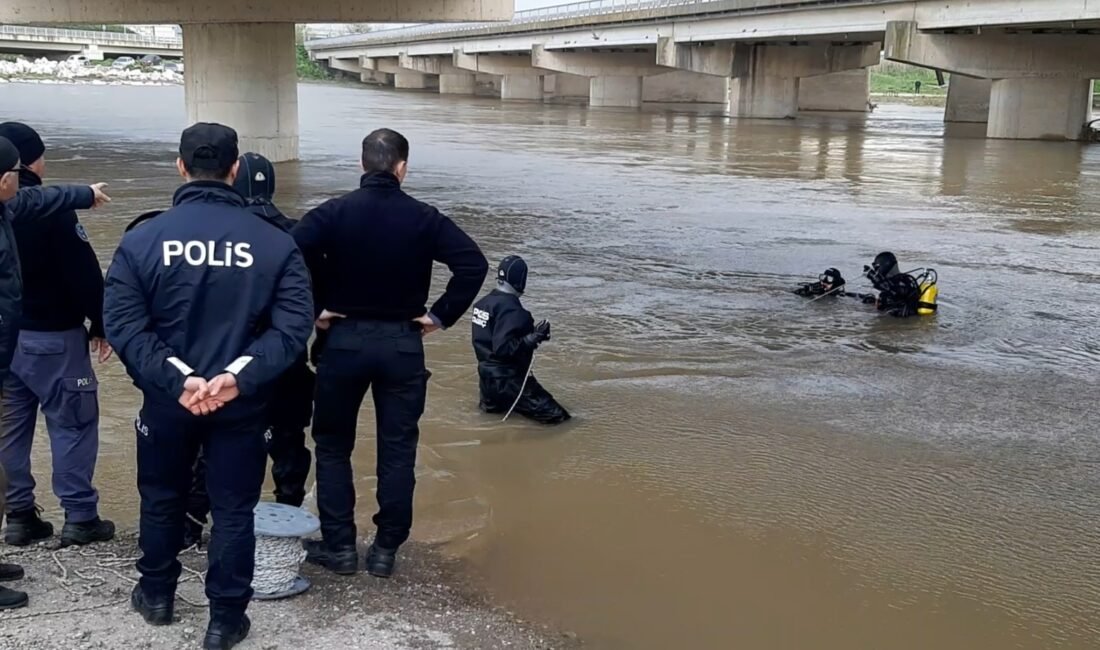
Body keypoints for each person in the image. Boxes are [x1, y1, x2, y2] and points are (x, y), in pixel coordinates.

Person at [103, 123, 313, 650]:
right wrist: (236, 378)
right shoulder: (275, 243)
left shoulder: (142, 239)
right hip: (240, 404)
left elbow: (126, 326)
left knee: (161, 497)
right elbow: (292, 328)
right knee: (234, 509)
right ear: (236, 170)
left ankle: (156, 596)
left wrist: (179, 381)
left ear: (179, 167)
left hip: (168, 401)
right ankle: (224, 622)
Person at [293, 128, 488, 578]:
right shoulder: (424, 218)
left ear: (362, 165)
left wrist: (313, 307)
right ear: (402, 168)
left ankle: (340, 547)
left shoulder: (333, 213)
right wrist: (439, 316)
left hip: (342, 343)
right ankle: (384, 551)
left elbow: (288, 252)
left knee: (332, 447)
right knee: (398, 450)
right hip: (403, 344)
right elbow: (472, 264)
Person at [181, 152, 316, 549]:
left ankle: (193, 525)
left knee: (213, 448)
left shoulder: (219, 236)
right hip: (285, 362)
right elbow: (312, 304)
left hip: (225, 363)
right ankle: (286, 529)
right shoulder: (297, 235)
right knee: (290, 445)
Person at [0, 122, 115, 549]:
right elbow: (83, 275)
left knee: (10, 430)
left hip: (7, 343)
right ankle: (80, 517)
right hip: (54, 339)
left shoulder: (8, 207)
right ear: (27, 163)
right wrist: (102, 324)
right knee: (72, 424)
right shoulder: (47, 211)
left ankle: (20, 517)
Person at [472, 256, 570, 424]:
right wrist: (534, 337)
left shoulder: (483, 304)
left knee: (491, 420)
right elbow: (503, 349)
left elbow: (490, 343)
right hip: (510, 380)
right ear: (521, 279)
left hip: (486, 380)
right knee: (560, 419)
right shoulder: (513, 311)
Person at [863, 251, 923, 317]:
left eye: (877, 268)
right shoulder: (892, 281)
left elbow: (894, 291)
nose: (877, 271)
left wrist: (874, 277)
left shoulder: (904, 281)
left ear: (885, 265)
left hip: (900, 321)